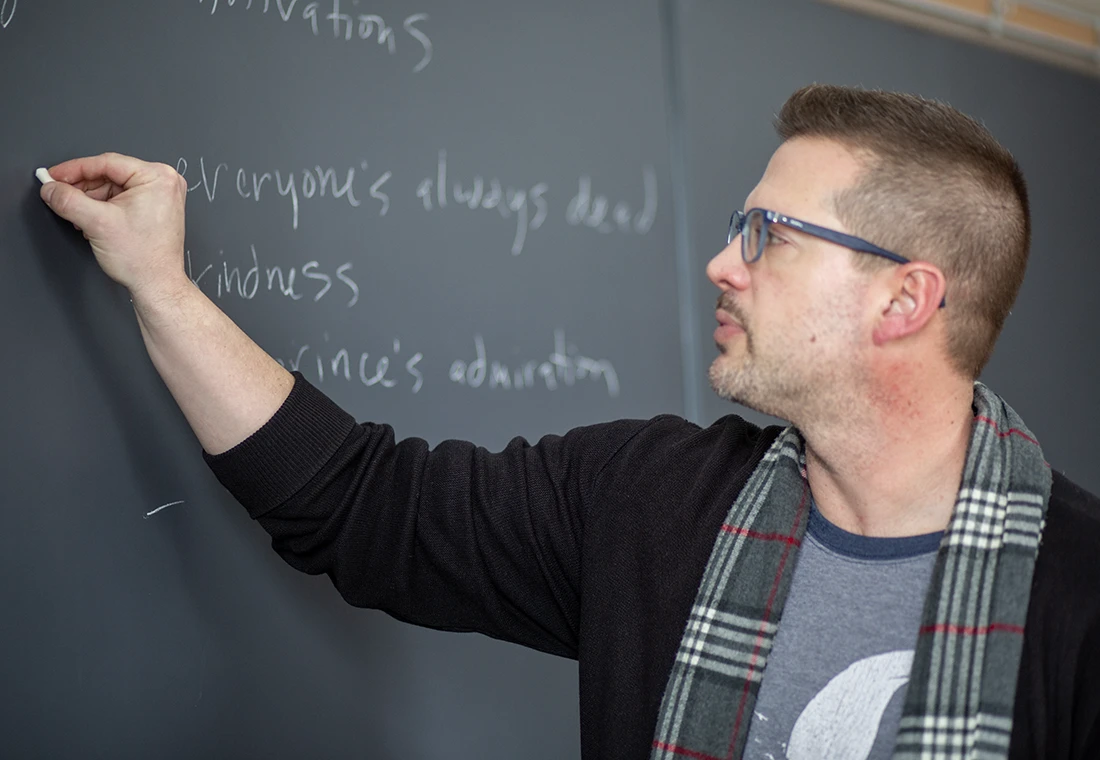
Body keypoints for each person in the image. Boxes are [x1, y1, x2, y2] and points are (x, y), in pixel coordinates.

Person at [38, 85, 1098, 760]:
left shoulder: (1078, 596)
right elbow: (361, 506)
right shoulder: (649, 499)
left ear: (902, 300)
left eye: (766, 234)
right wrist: (159, 287)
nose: (720, 263)